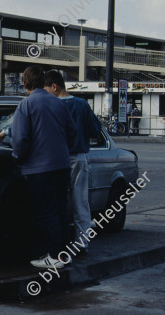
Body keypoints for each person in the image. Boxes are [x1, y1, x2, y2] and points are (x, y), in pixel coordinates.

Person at [0, 66, 76, 269]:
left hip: (39, 168)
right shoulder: (59, 103)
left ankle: (55, 257)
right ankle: (65, 254)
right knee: (60, 210)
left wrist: (18, 158)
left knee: (45, 212)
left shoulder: (26, 105)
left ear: (24, 83)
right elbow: (72, 133)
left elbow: (20, 139)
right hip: (62, 166)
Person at [44, 70, 102, 259]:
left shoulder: (50, 105)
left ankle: (59, 243)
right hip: (79, 157)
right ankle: (81, 244)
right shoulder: (82, 104)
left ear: (55, 86)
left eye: (46, 89)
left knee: (57, 202)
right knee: (81, 202)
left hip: (54, 159)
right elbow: (96, 129)